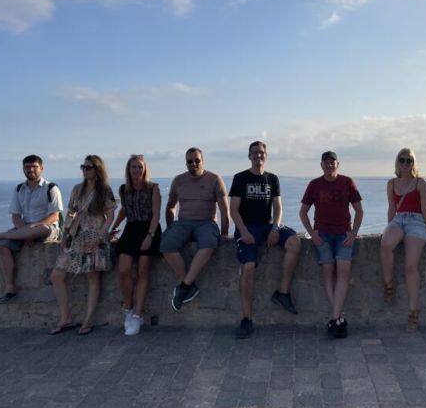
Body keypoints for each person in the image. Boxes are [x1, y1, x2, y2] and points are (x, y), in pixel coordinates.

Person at [229, 141, 301, 339]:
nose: (258, 156)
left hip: (267, 226)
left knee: (294, 242)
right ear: (249, 156)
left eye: (261, 153)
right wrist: (243, 232)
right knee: (248, 267)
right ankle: (246, 319)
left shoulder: (272, 179)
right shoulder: (240, 178)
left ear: (266, 156)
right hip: (246, 228)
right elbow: (233, 210)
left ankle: (283, 293)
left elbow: (278, 207)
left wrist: (275, 228)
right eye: (254, 153)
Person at [0, 155, 63, 304]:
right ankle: (10, 288)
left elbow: (54, 216)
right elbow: (16, 217)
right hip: (24, 228)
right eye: (27, 167)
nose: (31, 170)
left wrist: (33, 228)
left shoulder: (51, 188)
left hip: (46, 227)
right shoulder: (19, 189)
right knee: (3, 247)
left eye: (34, 167)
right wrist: (25, 233)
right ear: (23, 169)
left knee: (32, 231)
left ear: (41, 168)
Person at [48, 155, 116, 336]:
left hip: (94, 237)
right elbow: (70, 213)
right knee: (56, 275)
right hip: (76, 236)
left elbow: (110, 216)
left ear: (97, 169)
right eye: (83, 167)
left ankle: (88, 320)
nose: (85, 170)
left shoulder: (105, 190)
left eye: (88, 167)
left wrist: (100, 236)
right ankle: (66, 317)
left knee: (92, 279)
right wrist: (65, 234)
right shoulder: (77, 189)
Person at [299, 151, 363, 338]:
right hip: (323, 236)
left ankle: (335, 319)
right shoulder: (314, 185)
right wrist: (312, 233)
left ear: (338, 164)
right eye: (326, 162)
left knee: (343, 274)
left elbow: (359, 211)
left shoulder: (347, 182)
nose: (329, 165)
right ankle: (338, 319)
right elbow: (303, 212)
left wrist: (354, 233)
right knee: (328, 275)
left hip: (343, 235)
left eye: (332, 162)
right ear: (321, 165)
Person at [161, 147, 230, 311]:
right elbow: (171, 206)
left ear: (202, 161)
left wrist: (225, 233)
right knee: (165, 245)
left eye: (197, 160)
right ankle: (189, 285)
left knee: (209, 244)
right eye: (190, 161)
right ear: (186, 163)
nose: (194, 164)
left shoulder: (214, 179)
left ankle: (184, 286)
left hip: (206, 223)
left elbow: (224, 210)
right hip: (183, 223)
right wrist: (170, 228)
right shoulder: (178, 181)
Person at [379, 148, 426, 331]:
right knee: (386, 244)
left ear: (413, 163)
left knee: (411, 267)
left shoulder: (420, 183)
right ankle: (389, 284)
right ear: (397, 162)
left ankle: (413, 312)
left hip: (417, 222)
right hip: (399, 219)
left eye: (409, 160)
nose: (405, 163)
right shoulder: (391, 183)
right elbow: (391, 208)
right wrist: (389, 227)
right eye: (402, 160)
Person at [110, 154, 161, 336]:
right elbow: (124, 210)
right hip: (131, 229)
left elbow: (156, 214)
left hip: (148, 229)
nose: (137, 170)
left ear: (145, 169)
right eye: (134, 167)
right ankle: (129, 309)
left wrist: (150, 236)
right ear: (128, 170)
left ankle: (138, 315)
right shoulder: (124, 189)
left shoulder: (153, 188)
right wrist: (114, 227)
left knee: (143, 271)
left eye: (140, 166)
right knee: (123, 269)